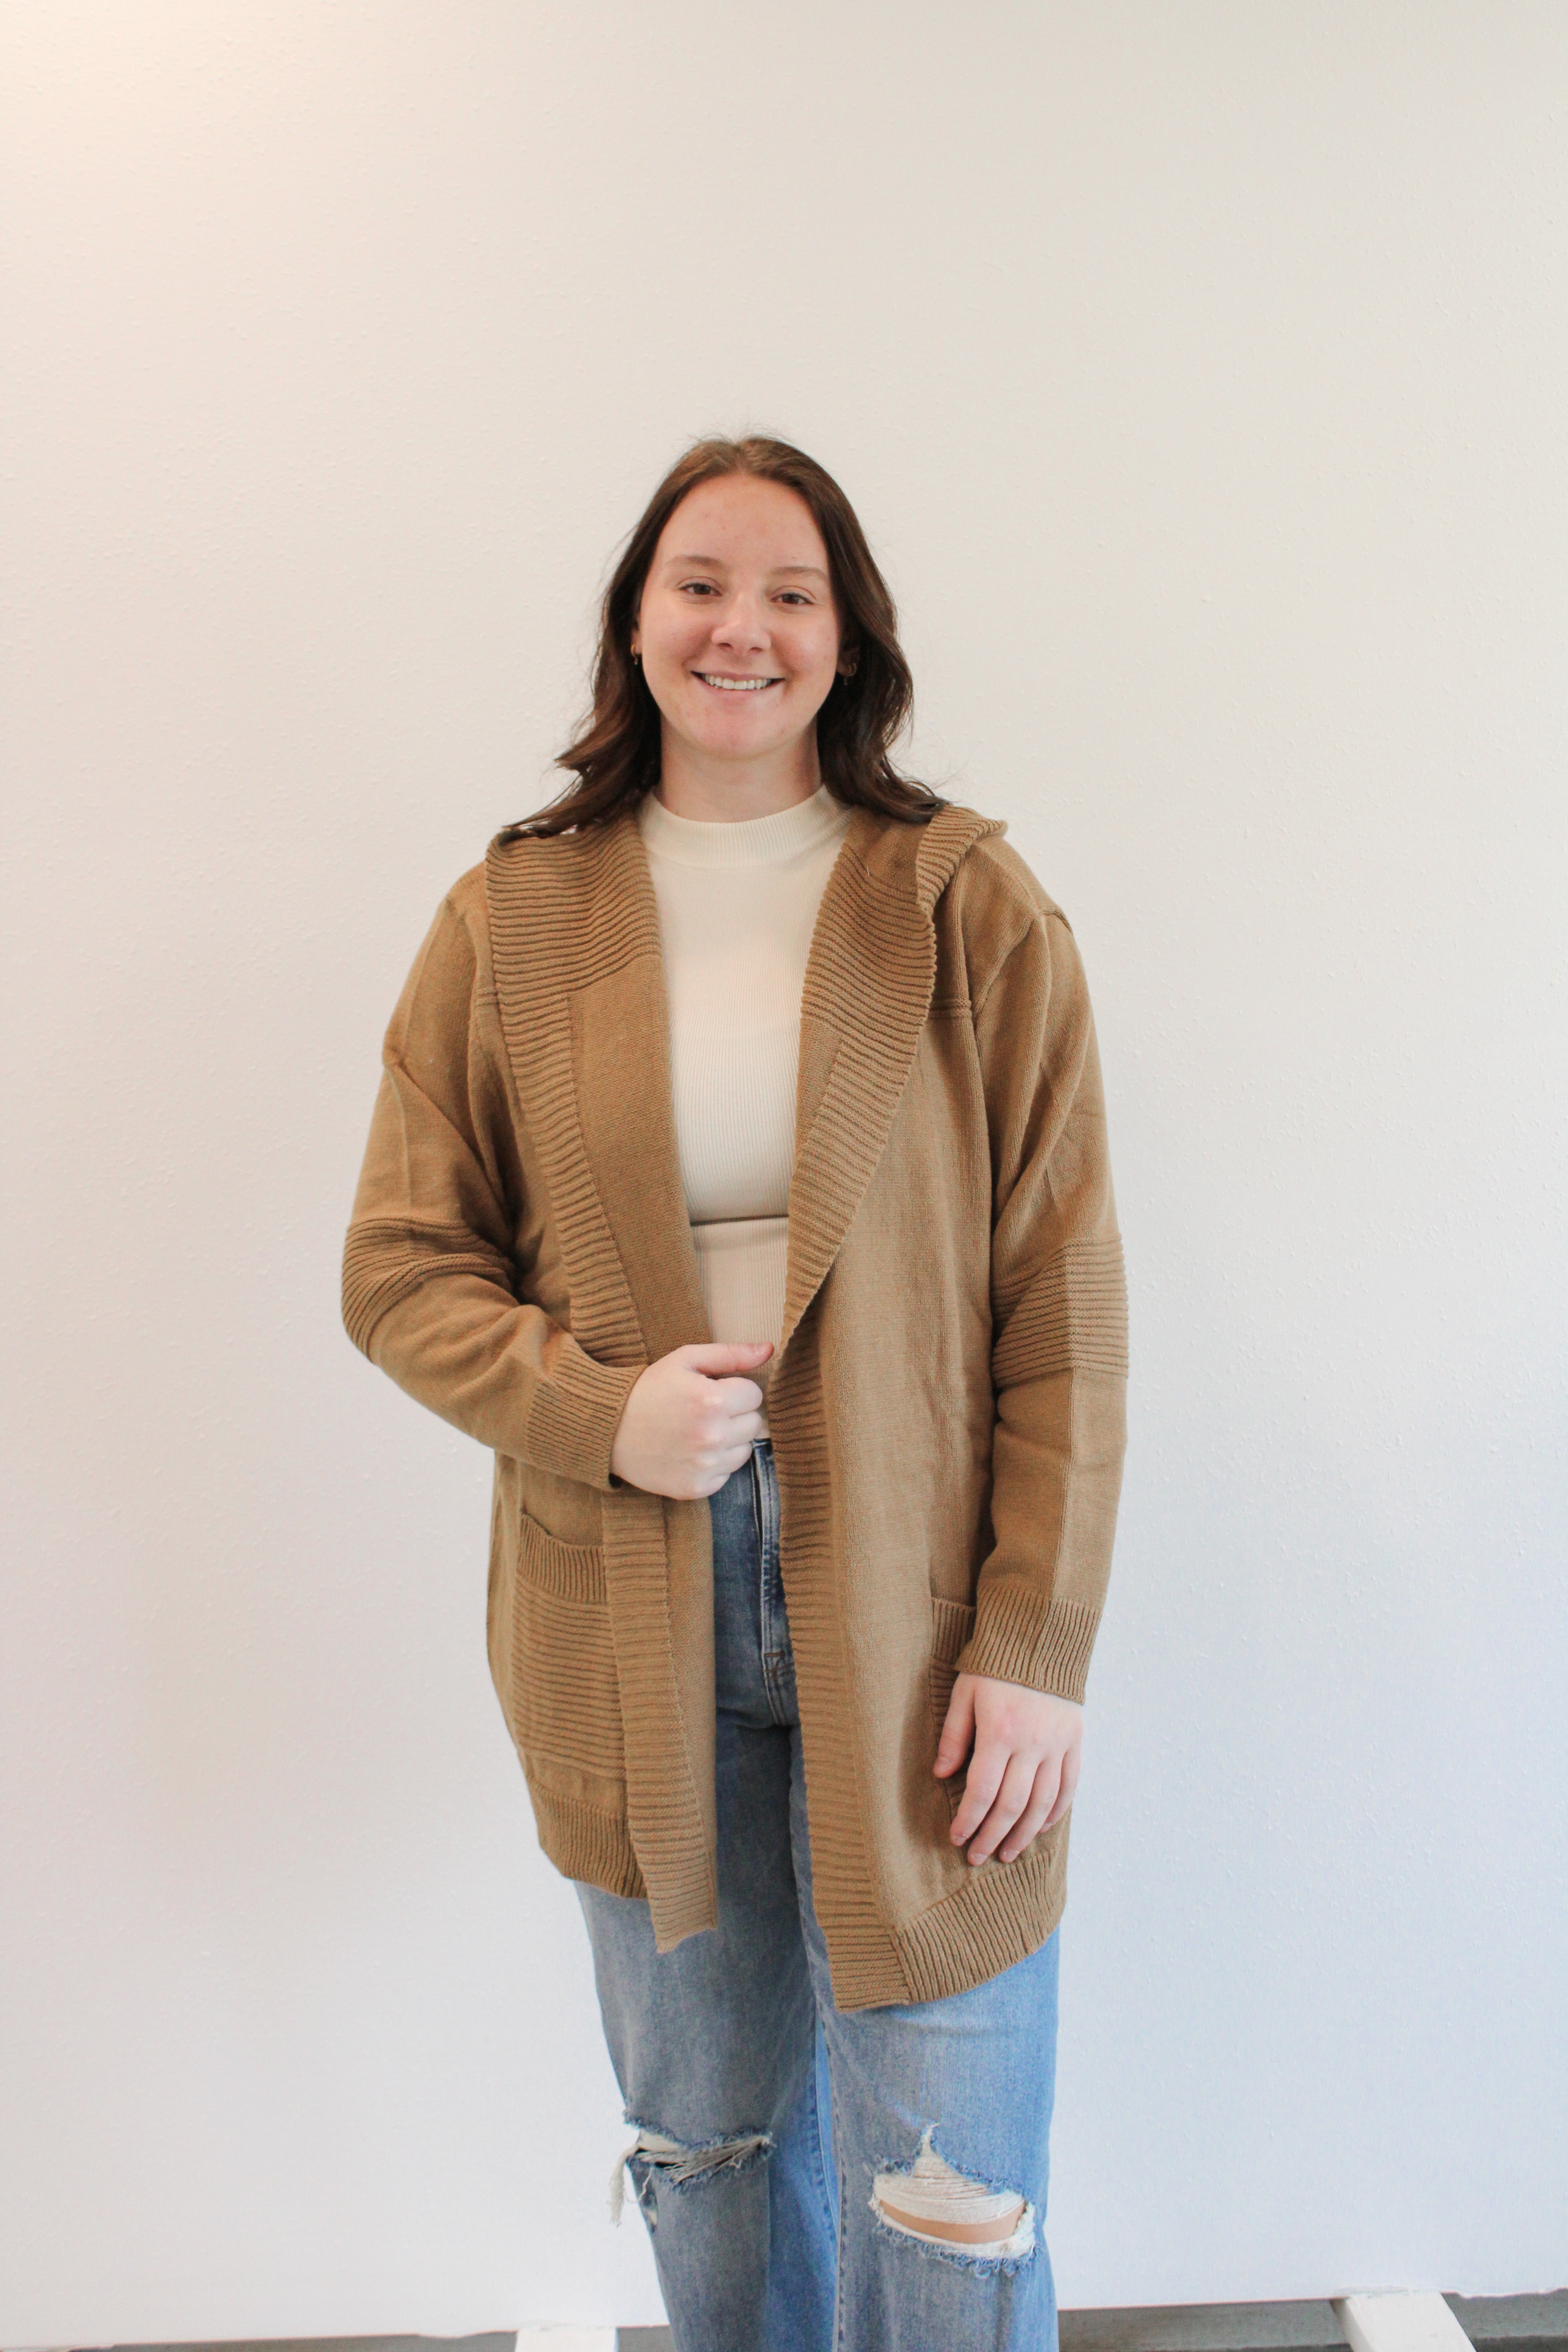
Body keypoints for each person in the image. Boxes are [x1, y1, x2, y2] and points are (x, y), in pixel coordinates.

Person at [341, 434, 1127, 2352]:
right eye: (699, 583)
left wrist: (1034, 1638)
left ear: (850, 638)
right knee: (707, 2145)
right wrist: (595, 1410)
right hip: (626, 1602)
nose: (742, 629)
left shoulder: (961, 904)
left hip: (923, 1606)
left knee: (950, 2190)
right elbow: (399, 1267)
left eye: (792, 591)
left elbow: (1062, 1296)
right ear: (634, 621)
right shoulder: (512, 915)